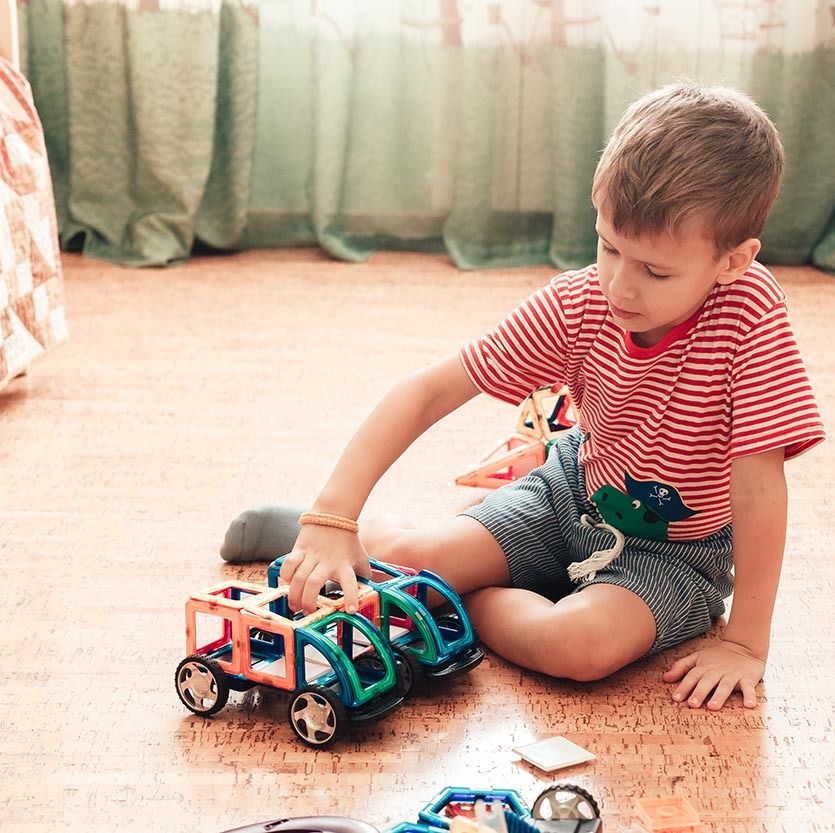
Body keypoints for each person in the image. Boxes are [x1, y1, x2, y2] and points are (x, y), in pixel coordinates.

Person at [221, 80, 825, 711]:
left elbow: (759, 487)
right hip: (568, 492)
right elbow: (429, 391)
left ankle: (456, 595)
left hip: (678, 553)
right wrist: (330, 513)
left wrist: (747, 644)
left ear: (732, 261)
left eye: (655, 270)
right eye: (608, 246)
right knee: (417, 557)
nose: (619, 284)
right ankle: (321, 535)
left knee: (578, 646)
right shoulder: (580, 301)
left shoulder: (750, 315)